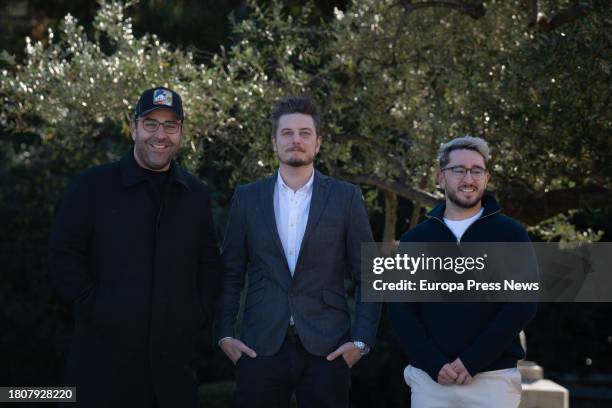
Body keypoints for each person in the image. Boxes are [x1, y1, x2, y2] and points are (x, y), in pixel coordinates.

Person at [48, 86, 222, 408]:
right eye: (151, 123)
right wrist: (97, 307)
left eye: (170, 125)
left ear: (181, 132)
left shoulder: (196, 195)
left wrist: (195, 314)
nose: (161, 134)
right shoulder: (92, 186)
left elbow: (210, 263)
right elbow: (63, 256)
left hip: (173, 376)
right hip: (102, 370)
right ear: (134, 128)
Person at [215, 95, 381, 408]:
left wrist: (362, 341)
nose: (296, 140)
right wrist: (224, 334)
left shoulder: (346, 198)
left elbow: (369, 274)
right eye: (287, 133)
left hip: (328, 347)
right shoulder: (247, 198)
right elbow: (231, 271)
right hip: (259, 344)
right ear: (274, 142)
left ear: (318, 143)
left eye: (305, 133)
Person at [389, 136, 537, 408]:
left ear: (486, 177)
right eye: (458, 170)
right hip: (430, 381)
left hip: (493, 380)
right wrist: (435, 364)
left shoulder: (511, 234)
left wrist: (472, 361)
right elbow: (400, 309)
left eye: (476, 170)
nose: (468, 178)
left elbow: (523, 304)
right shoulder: (415, 240)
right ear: (440, 178)